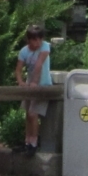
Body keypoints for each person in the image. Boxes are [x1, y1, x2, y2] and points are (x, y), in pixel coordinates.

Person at [15, 24, 53, 155]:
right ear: (29, 40)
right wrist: (21, 82)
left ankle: (34, 142)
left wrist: (35, 83)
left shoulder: (45, 46)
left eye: (40, 39)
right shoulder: (24, 51)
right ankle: (27, 141)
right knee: (28, 115)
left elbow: (38, 65)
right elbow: (18, 70)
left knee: (33, 113)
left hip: (43, 85)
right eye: (35, 39)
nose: (38, 42)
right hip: (29, 86)